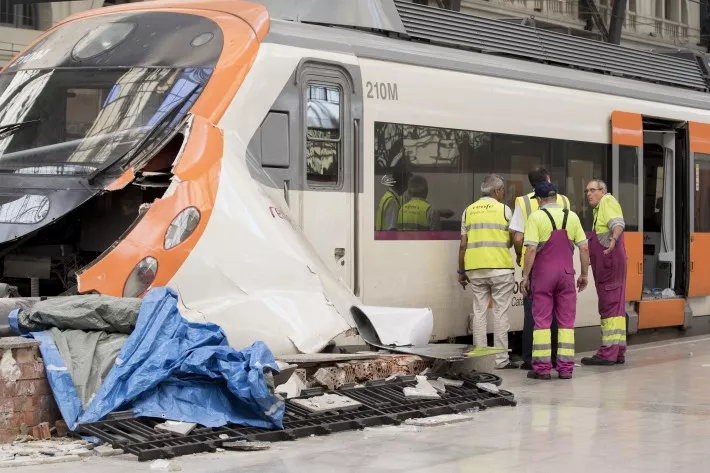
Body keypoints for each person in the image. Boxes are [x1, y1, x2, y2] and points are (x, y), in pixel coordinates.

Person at [520, 182, 590, 380]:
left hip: (543, 276)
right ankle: (566, 368)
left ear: (540, 200)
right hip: (567, 275)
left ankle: (542, 369)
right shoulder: (572, 216)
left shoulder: (536, 217)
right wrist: (584, 274)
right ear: (556, 197)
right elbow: (584, 248)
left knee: (542, 321)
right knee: (566, 322)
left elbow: (531, 249)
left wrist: (525, 276)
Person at [509, 166, 571, 371]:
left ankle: (531, 358)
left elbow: (518, 238)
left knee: (534, 312)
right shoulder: (564, 201)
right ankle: (556, 358)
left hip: (536, 264)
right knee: (558, 312)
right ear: (548, 179)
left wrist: (521, 256)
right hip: (562, 264)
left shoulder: (523, 202)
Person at [457, 174, 518, 369]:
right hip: (500, 268)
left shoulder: (468, 211)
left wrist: (461, 271)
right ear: (498, 191)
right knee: (500, 314)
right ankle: (501, 360)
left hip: (475, 269)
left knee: (479, 312)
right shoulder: (504, 210)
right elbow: (514, 238)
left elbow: (463, 245)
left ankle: (479, 359)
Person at [581, 179, 627, 366]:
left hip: (610, 266)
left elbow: (617, 224)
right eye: (586, 191)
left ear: (603, 191)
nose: (588, 194)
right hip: (609, 266)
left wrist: (614, 238)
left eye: (592, 190)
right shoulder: (598, 210)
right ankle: (617, 351)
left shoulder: (607, 202)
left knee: (609, 308)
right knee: (616, 309)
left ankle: (608, 353)